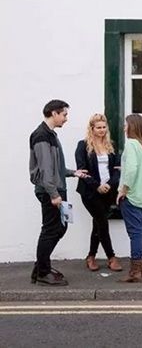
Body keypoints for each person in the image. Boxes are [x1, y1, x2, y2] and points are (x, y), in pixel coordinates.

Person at [29, 99, 89, 286]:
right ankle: (42, 272)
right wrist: (54, 195)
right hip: (50, 191)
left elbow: (55, 167)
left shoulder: (51, 135)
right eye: (64, 114)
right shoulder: (42, 136)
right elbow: (46, 170)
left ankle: (41, 267)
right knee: (50, 230)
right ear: (54, 113)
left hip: (55, 188)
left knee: (59, 227)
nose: (66, 118)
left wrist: (73, 173)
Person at [74, 114, 123, 273]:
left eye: (104, 127)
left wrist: (109, 185)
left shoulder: (111, 145)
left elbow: (116, 170)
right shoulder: (83, 146)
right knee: (102, 222)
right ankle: (111, 257)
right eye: (98, 127)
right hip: (90, 192)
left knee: (98, 223)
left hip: (108, 192)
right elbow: (82, 171)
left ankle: (91, 256)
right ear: (92, 129)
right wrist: (97, 186)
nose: (101, 130)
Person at [117, 114, 142, 282]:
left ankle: (135, 272)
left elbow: (133, 169)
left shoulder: (131, 144)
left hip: (133, 195)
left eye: (126, 125)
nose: (124, 127)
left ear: (132, 126)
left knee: (136, 233)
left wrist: (123, 190)